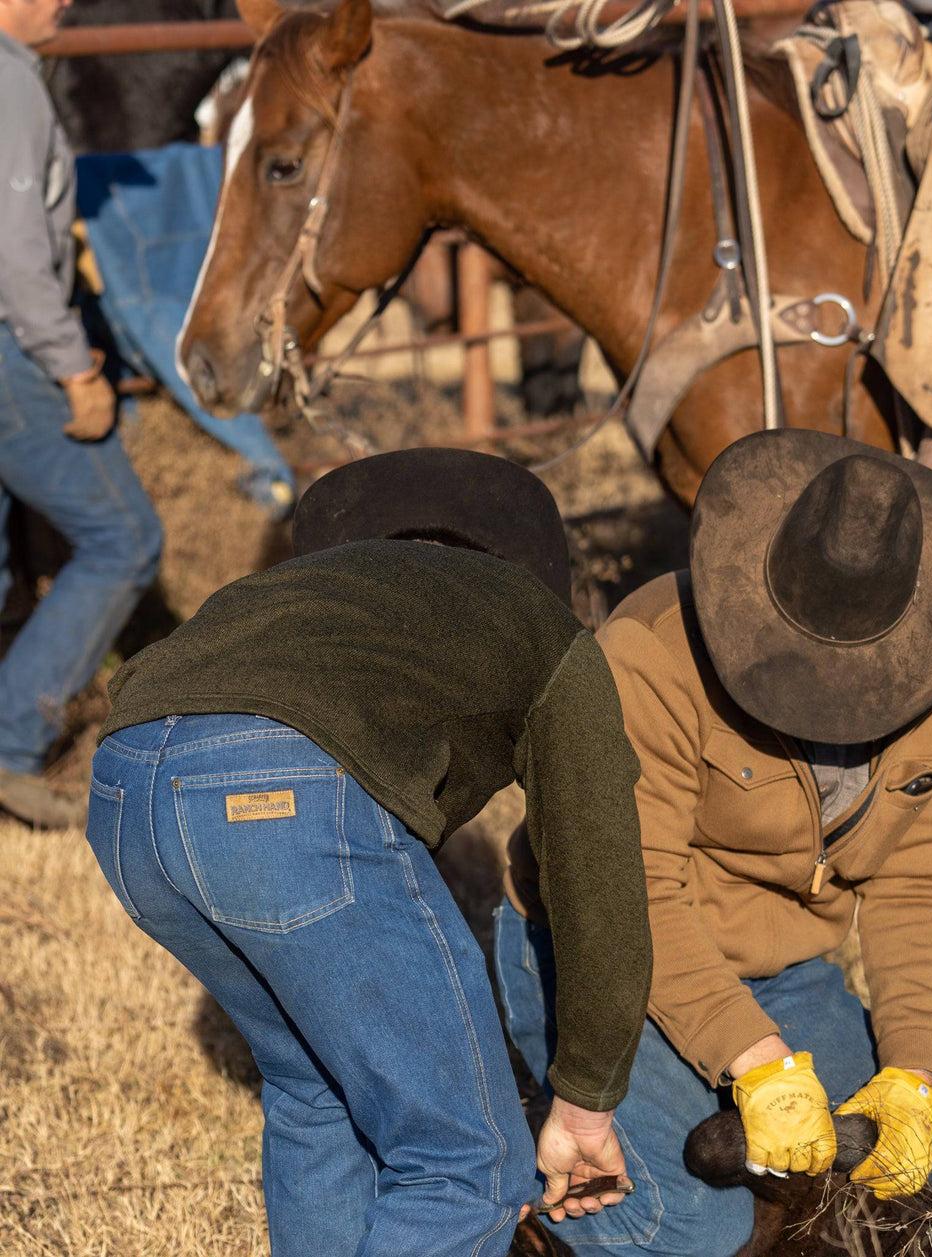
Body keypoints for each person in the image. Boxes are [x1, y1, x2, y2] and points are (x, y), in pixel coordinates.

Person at [84, 448, 654, 1256]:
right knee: (469, 1162)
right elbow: (599, 873)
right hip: (279, 789)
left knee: (315, 1094)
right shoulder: (542, 625)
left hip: (123, 791)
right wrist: (587, 1100)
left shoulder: (320, 593)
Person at [497, 430, 932, 1255]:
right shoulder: (648, 655)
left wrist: (917, 1073)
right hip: (599, 950)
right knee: (688, 1228)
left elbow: (918, 881)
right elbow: (631, 892)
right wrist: (756, 1060)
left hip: (785, 967)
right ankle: (501, 1163)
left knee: (923, 1193)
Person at [0, 0, 162, 827]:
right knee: (126, 538)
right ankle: (13, 747)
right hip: (13, 349)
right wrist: (72, 368)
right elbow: (18, 255)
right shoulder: (9, 82)